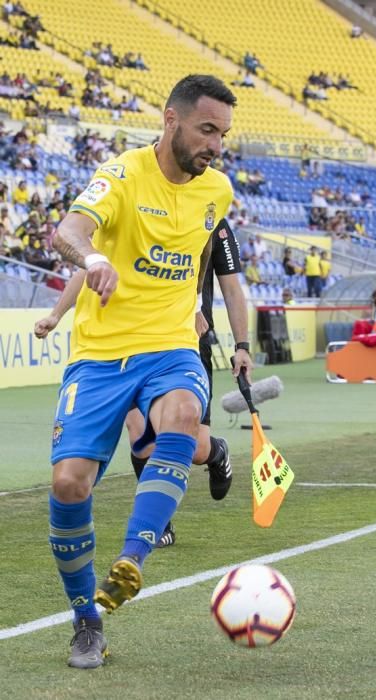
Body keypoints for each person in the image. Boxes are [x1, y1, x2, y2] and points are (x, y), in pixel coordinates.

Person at [44, 74, 251, 670]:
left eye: (223, 134)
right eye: (207, 129)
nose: (215, 144)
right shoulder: (122, 173)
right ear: (171, 119)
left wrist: (229, 335)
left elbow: (219, 270)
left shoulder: (219, 192)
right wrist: (94, 258)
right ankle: (87, 620)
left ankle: (134, 556)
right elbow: (70, 231)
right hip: (100, 355)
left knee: (183, 415)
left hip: (170, 345)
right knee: (68, 484)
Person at [35, 217, 252, 547]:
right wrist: (56, 314)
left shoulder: (209, 216)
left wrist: (242, 345)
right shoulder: (131, 209)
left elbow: (232, 288)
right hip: (124, 348)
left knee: (193, 448)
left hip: (184, 347)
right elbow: (88, 269)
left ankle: (216, 452)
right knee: (143, 438)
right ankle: (159, 523)